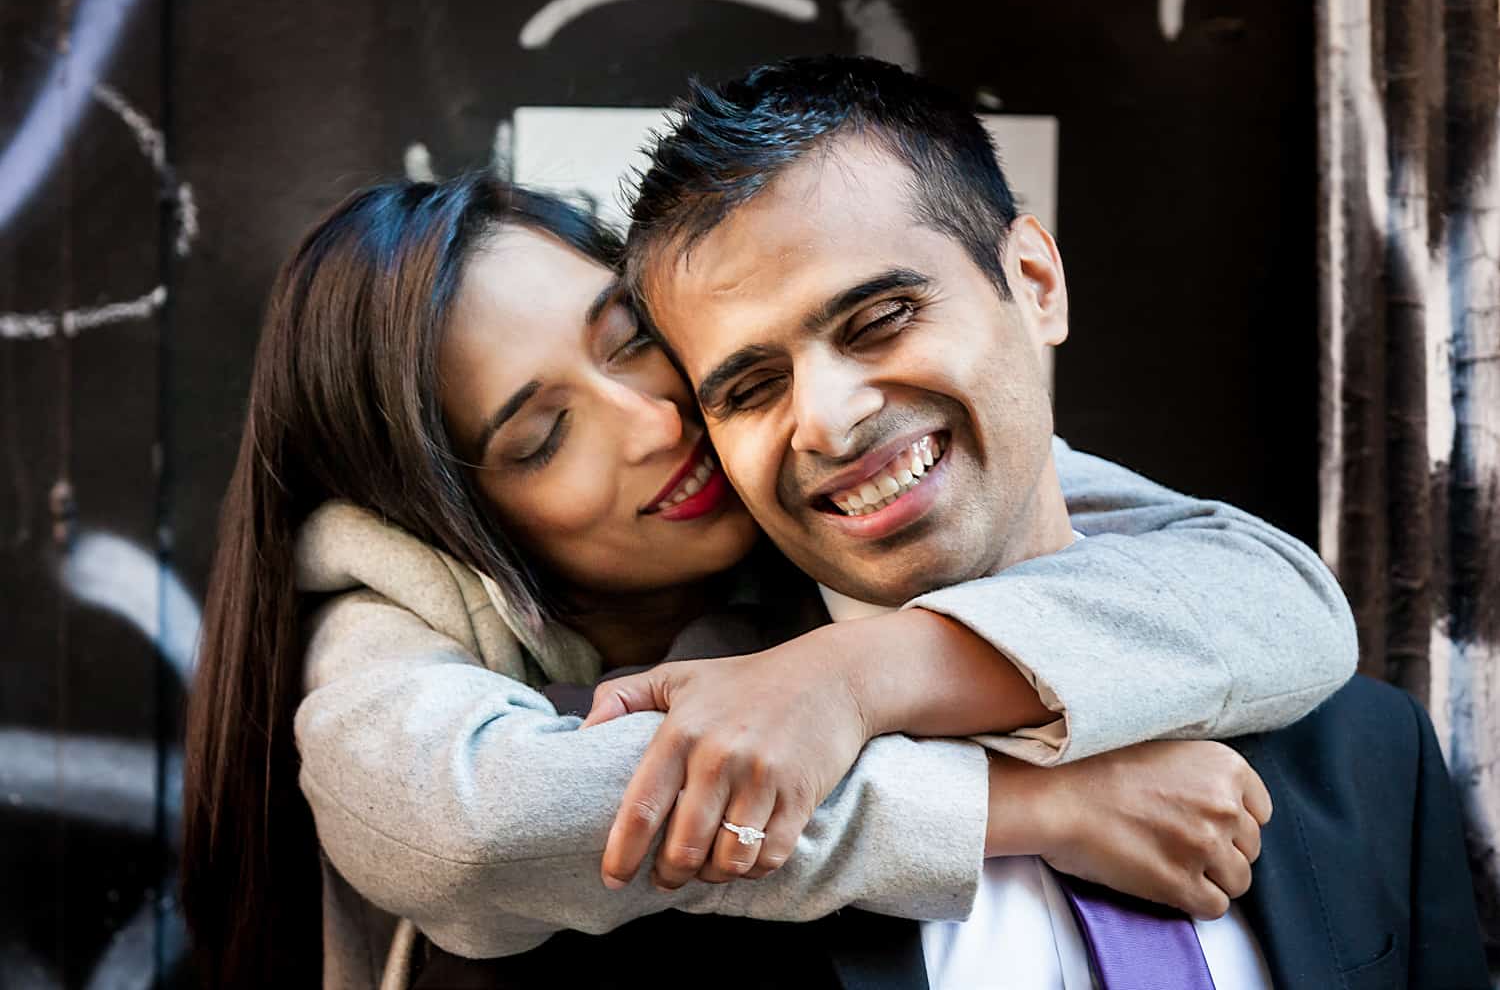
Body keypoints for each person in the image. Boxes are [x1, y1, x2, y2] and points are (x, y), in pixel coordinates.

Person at [179, 173, 1355, 989]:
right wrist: (1029, 810)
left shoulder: (796, 458)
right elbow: (472, 833)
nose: (652, 420)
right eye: (544, 438)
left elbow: (1274, 594)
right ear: (451, 515)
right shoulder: (390, 611)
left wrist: (854, 676)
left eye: (629, 336)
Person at [586, 53, 1488, 988]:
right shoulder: (651, 806)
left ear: (1034, 281)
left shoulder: (1372, 753)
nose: (826, 417)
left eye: (881, 318)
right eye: (752, 387)